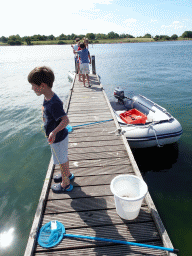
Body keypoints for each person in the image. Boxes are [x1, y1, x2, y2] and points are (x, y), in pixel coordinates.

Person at [28, 66, 74, 193]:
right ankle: (68, 174)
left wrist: (53, 132)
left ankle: (66, 183)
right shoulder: (48, 96)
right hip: (58, 138)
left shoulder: (54, 103)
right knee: (62, 158)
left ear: (42, 85)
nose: (32, 88)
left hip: (58, 138)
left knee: (62, 160)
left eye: (33, 85)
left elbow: (65, 120)